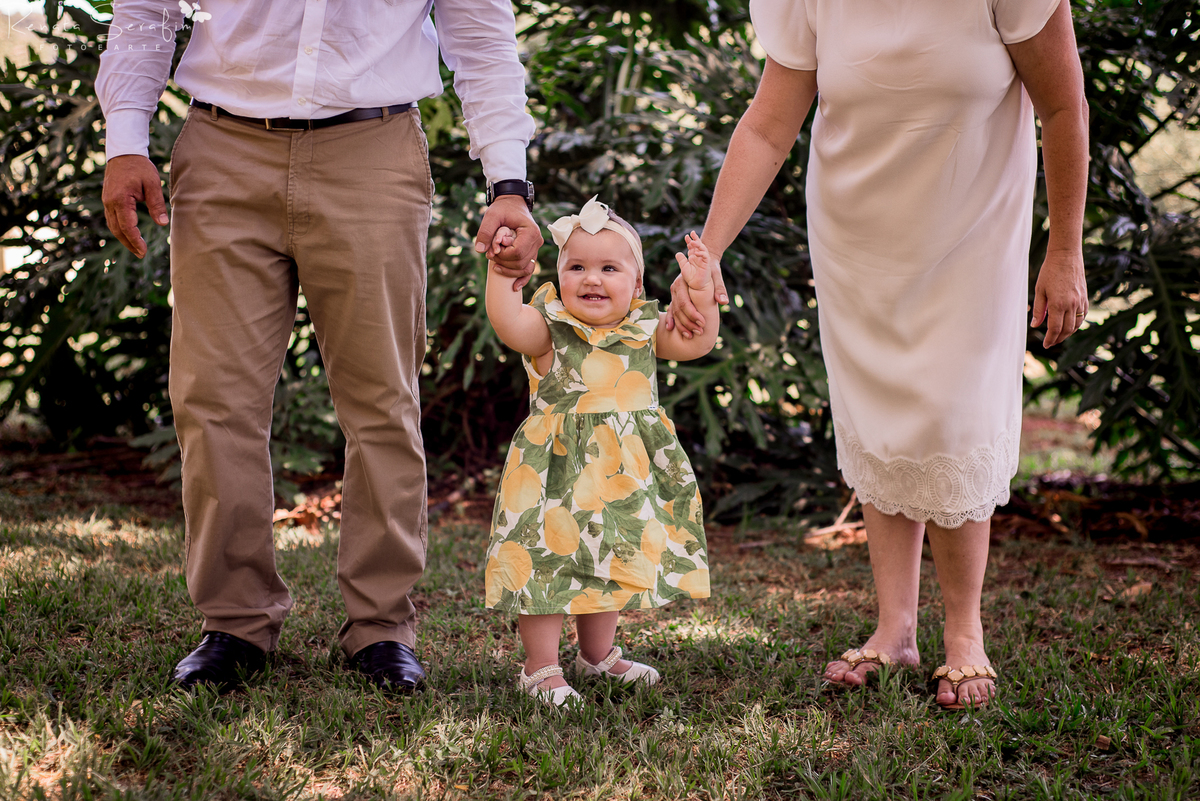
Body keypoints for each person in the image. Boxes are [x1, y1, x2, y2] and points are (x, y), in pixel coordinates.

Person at [96, 0, 542, 693]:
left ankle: (382, 627)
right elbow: (147, 9)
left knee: (381, 398)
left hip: (374, 152)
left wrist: (508, 180)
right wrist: (126, 138)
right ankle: (234, 621)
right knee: (213, 397)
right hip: (222, 146)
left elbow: (480, 33)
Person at [668, 0, 1088, 709]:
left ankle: (964, 633)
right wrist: (708, 255)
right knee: (883, 418)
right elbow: (769, 127)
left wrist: (1066, 249)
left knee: (954, 416)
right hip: (857, 239)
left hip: (973, 232)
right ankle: (894, 627)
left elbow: (1063, 106)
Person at [482, 197, 716, 705]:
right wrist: (502, 274)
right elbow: (507, 323)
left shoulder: (646, 332)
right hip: (552, 476)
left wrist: (701, 290)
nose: (592, 278)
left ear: (636, 285)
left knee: (605, 560)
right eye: (577, 266)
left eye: (609, 268)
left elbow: (698, 342)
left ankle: (596, 657)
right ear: (560, 275)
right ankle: (540, 668)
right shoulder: (550, 330)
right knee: (544, 566)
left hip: (618, 478)